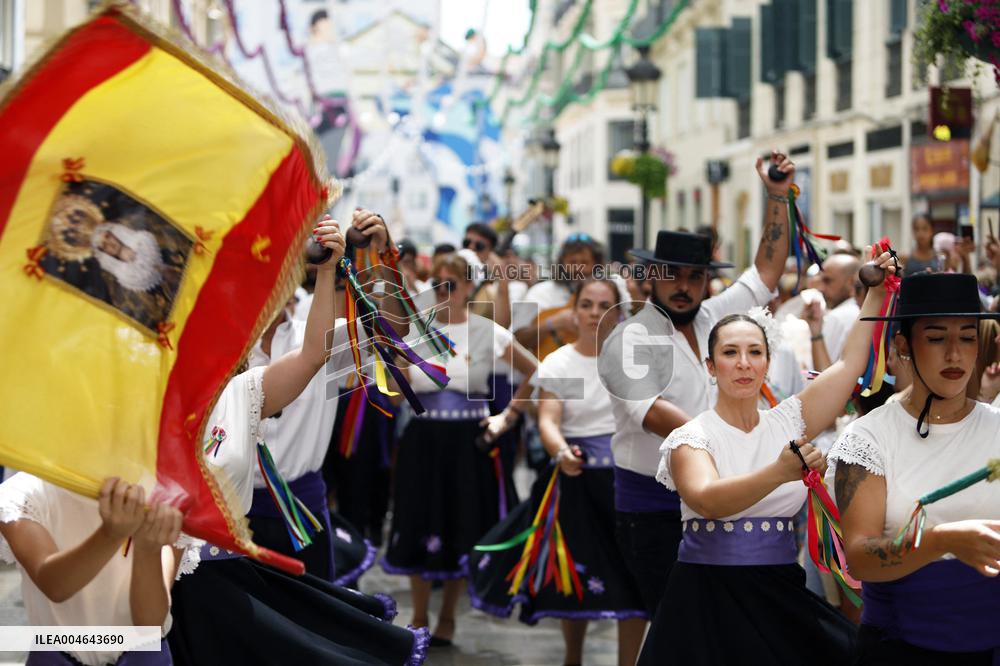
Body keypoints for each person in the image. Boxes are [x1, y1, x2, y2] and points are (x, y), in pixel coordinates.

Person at [167, 215, 428, 666]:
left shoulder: (319, 325)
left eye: (283, 261)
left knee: (308, 644)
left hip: (298, 515)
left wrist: (377, 260)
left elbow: (394, 331)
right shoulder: (213, 345)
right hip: (210, 537)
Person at [637, 248, 896, 664]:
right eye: (730, 353)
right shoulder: (693, 435)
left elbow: (849, 364)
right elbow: (707, 499)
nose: (743, 364)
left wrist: (876, 296)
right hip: (705, 601)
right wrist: (779, 472)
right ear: (710, 365)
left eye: (755, 353)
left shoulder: (787, 422)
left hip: (779, 592)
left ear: (768, 363)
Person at [597, 152, 794, 617]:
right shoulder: (628, 338)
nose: (683, 285)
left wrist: (777, 196)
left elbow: (767, 268)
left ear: (707, 280)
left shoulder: (718, 317)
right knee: (673, 622)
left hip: (724, 492)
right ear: (651, 278)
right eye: (672, 275)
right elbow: (653, 414)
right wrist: (726, 450)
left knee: (718, 620)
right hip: (653, 506)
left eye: (694, 276)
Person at [466, 278, 647, 666]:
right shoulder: (560, 362)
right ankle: (573, 658)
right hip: (577, 480)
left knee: (633, 580)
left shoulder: (635, 362)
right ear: (574, 309)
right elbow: (549, 420)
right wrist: (561, 451)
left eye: (604, 306)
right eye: (587, 305)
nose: (595, 314)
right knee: (576, 576)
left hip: (629, 484)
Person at [829, 272, 1000, 664]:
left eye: (968, 337)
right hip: (902, 650)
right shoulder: (868, 439)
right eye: (937, 338)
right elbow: (859, 555)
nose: (955, 354)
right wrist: (942, 541)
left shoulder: (997, 427)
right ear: (903, 346)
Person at [382, 252, 538, 647]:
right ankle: (418, 613)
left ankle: (448, 615)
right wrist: (394, 366)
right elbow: (397, 399)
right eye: (437, 285)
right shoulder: (416, 332)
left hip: (468, 442)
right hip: (423, 440)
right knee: (418, 517)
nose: (443, 294)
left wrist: (508, 417)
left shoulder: (488, 332)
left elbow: (537, 373)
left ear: (470, 287)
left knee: (460, 521)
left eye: (451, 285)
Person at [0, 475, 197, 665]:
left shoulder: (168, 496)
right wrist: (110, 535)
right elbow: (55, 585)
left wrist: (148, 550)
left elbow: (150, 622)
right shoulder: (24, 493)